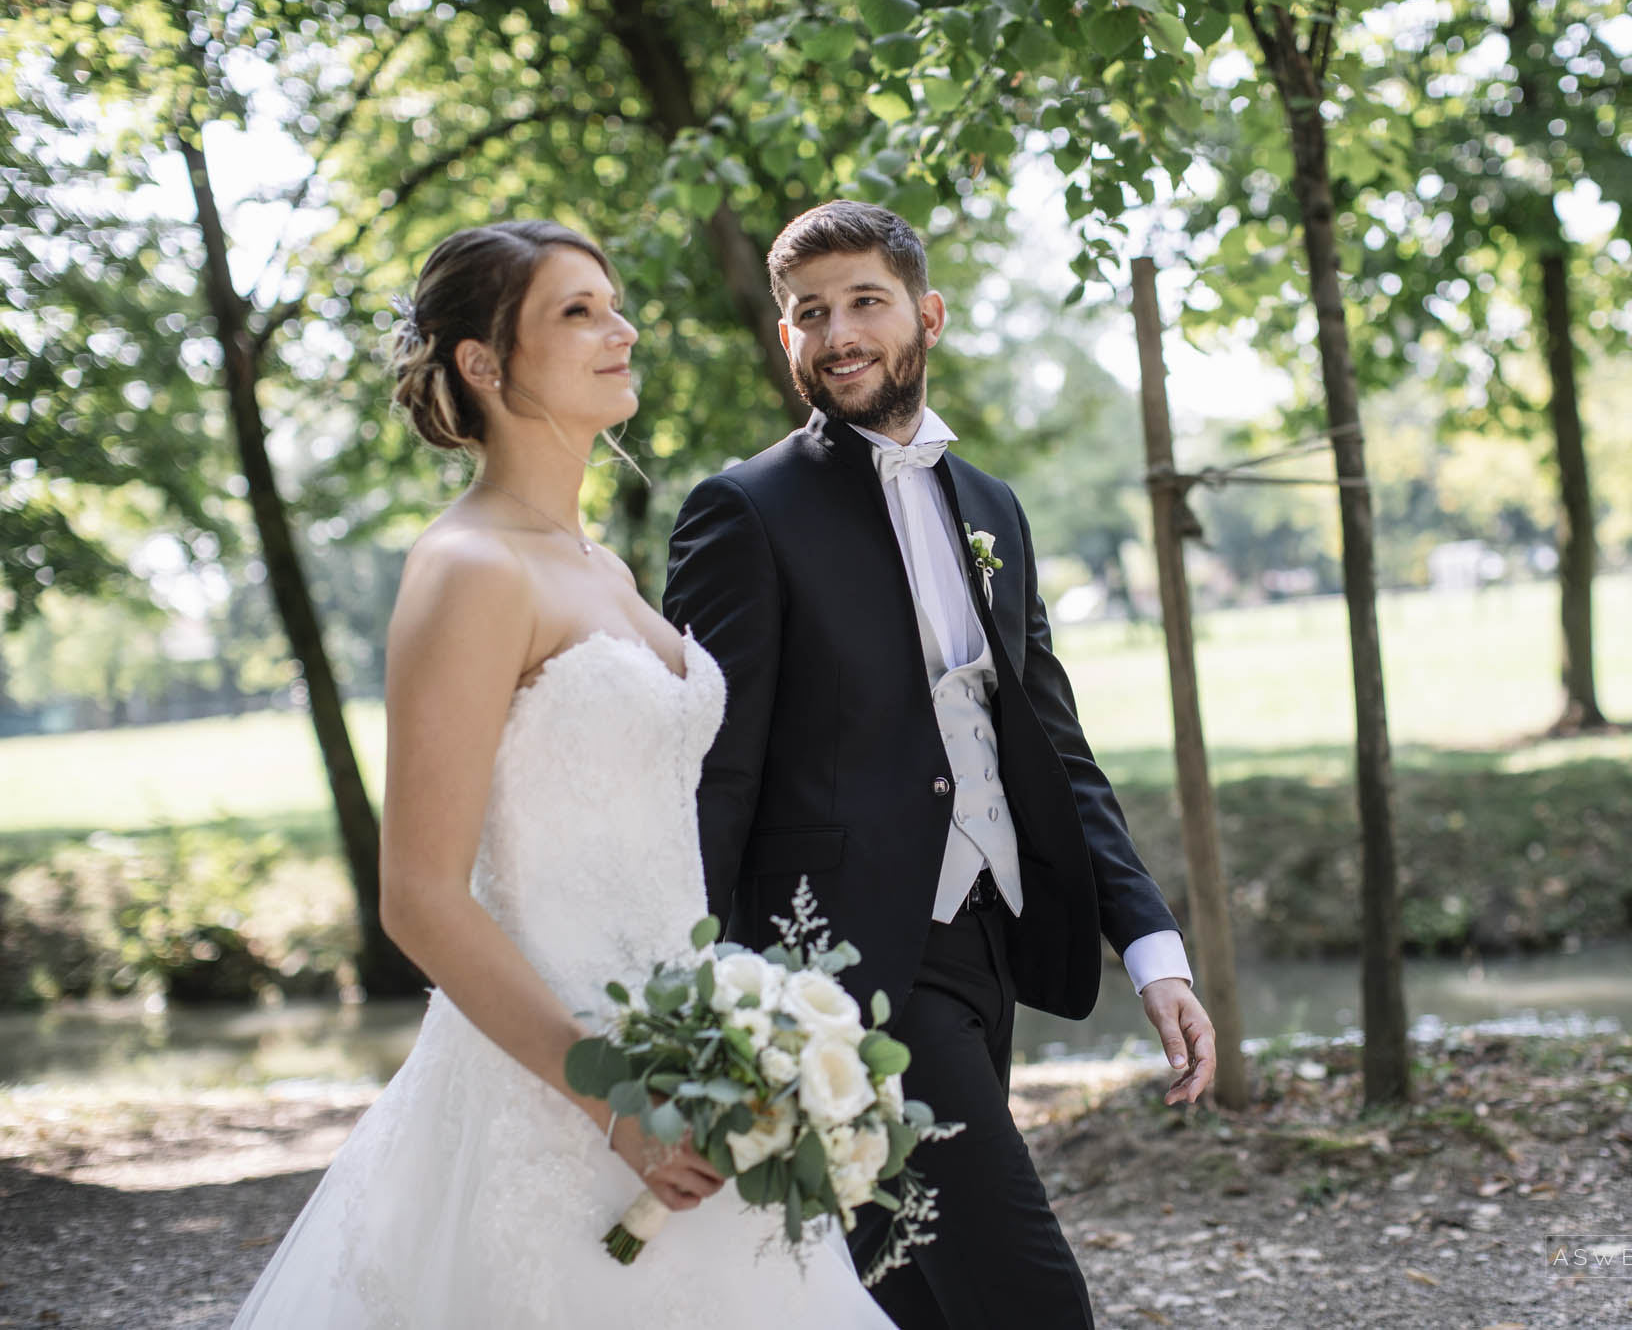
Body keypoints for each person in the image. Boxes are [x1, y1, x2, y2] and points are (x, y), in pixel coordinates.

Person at [231, 220, 892, 1330]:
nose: (620, 330)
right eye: (577, 312)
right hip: (557, 1084)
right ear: (482, 364)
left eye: (613, 304)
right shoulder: (469, 568)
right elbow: (419, 894)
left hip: (686, 1059)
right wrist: (613, 1101)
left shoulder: (603, 568)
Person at [660, 200, 1218, 1330]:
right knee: (1028, 1299)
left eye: (865, 302)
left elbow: (1051, 747)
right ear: (786, 336)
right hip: (837, 966)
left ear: (928, 315)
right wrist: (693, 999)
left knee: (910, 1291)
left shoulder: (991, 507)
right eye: (809, 314)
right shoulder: (742, 511)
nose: (838, 334)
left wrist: (1151, 947)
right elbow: (708, 777)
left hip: (985, 939)